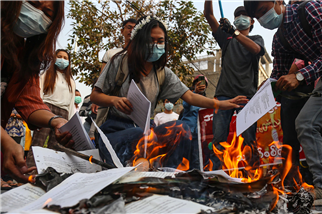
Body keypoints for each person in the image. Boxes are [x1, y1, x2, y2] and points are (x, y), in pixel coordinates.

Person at [91, 15, 248, 169]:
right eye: (151, 40)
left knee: (181, 129)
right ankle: (133, 167)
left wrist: (220, 103)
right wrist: (113, 100)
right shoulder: (119, 62)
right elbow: (95, 96)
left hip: (145, 133)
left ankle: (170, 175)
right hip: (114, 131)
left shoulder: (162, 73)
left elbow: (190, 96)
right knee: (138, 134)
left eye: (160, 41)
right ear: (139, 40)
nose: (156, 45)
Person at [244, 0, 322, 202]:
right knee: (305, 123)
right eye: (258, 17)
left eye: (263, 10)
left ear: (278, 1)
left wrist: (299, 76)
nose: (263, 19)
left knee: (308, 123)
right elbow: (277, 75)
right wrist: (262, 93)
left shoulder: (310, 10)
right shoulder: (280, 39)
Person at [1, 1, 73, 183]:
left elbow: (29, 100)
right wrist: (6, 141)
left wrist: (56, 121)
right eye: (33, 4)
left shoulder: (25, 54)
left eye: (47, 12)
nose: (36, 14)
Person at [204, 1, 265, 170]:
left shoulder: (256, 39)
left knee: (249, 139)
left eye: (244, 15)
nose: (239, 18)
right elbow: (209, 15)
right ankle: (217, 175)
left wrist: (235, 32)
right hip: (224, 95)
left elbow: (256, 50)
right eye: (236, 16)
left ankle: (253, 174)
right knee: (218, 140)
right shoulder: (227, 39)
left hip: (247, 96)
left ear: (252, 21)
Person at [26, 49, 76, 169]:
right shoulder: (46, 75)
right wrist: (38, 110)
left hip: (63, 112)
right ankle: (30, 170)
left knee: (56, 146)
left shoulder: (71, 81)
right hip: (47, 109)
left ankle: (50, 172)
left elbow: (71, 102)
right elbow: (38, 93)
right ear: (54, 59)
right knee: (38, 142)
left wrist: (69, 120)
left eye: (65, 58)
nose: (62, 60)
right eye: (59, 56)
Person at [92, 19, 138, 128]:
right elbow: (101, 81)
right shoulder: (111, 54)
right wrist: (96, 100)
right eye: (129, 27)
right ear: (122, 31)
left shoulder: (141, 57)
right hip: (110, 104)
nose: (131, 30)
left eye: (134, 28)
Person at [181, 75, 209, 169]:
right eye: (198, 82)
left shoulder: (207, 102)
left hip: (199, 135)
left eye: (203, 83)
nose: (201, 85)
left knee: (196, 160)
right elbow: (186, 104)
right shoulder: (189, 97)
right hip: (186, 133)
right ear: (194, 86)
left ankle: (195, 181)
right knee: (184, 158)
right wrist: (195, 92)